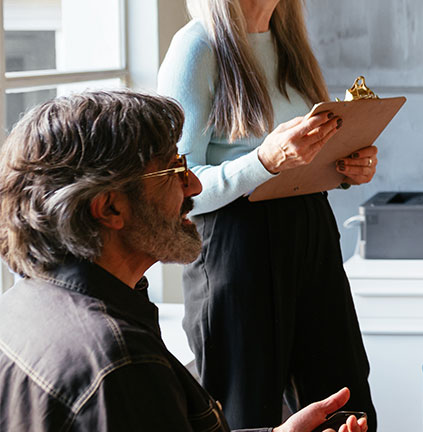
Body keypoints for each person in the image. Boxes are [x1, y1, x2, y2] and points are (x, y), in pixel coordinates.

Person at [0, 90, 367, 432]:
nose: (193, 185)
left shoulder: (20, 306)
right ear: (110, 207)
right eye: (174, 168)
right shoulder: (121, 365)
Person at [157, 0, 377, 429]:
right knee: (243, 413)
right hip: (234, 250)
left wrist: (345, 168)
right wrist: (266, 162)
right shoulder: (197, 48)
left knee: (347, 404)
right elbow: (172, 188)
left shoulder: (289, 46)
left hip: (310, 233)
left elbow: (300, 160)